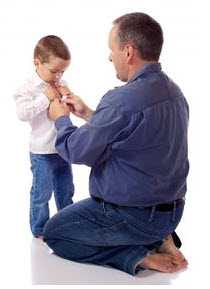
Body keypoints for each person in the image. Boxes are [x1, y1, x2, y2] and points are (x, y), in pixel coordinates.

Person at [44, 12, 189, 275]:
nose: (110, 57)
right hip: (171, 213)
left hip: (132, 216)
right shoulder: (174, 92)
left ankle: (138, 254)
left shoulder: (123, 100)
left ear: (128, 51)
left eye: (112, 49)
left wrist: (61, 120)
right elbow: (134, 134)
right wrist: (89, 113)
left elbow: (76, 151)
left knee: (55, 233)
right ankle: (160, 237)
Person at [13, 35, 75, 239]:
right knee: (42, 193)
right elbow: (22, 114)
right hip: (41, 151)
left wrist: (68, 98)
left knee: (66, 190)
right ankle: (40, 229)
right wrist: (45, 98)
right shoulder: (28, 88)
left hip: (63, 148)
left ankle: (68, 224)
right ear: (37, 63)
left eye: (62, 71)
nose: (58, 76)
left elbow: (65, 112)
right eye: (54, 71)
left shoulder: (60, 82)